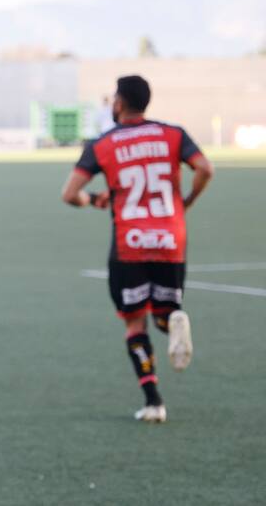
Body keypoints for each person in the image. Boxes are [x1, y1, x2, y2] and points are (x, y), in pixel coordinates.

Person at [61, 75, 214, 423]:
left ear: (119, 102)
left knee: (134, 325)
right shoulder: (173, 134)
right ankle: (172, 318)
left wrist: (93, 200)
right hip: (170, 239)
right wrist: (185, 201)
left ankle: (154, 402)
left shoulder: (104, 143)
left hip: (129, 243)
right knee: (164, 311)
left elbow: (69, 194)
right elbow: (206, 168)